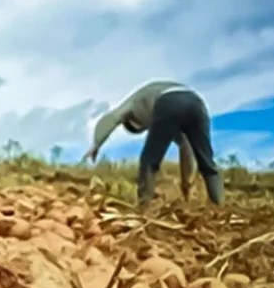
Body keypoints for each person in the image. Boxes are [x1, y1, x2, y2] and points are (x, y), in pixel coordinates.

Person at [85, 80, 224, 206]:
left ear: (133, 120)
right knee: (207, 163)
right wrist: (186, 183)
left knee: (149, 161)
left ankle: (143, 207)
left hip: (168, 101)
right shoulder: (152, 101)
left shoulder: (133, 104)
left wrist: (96, 143)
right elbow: (186, 147)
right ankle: (220, 206)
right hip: (196, 102)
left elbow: (112, 117)